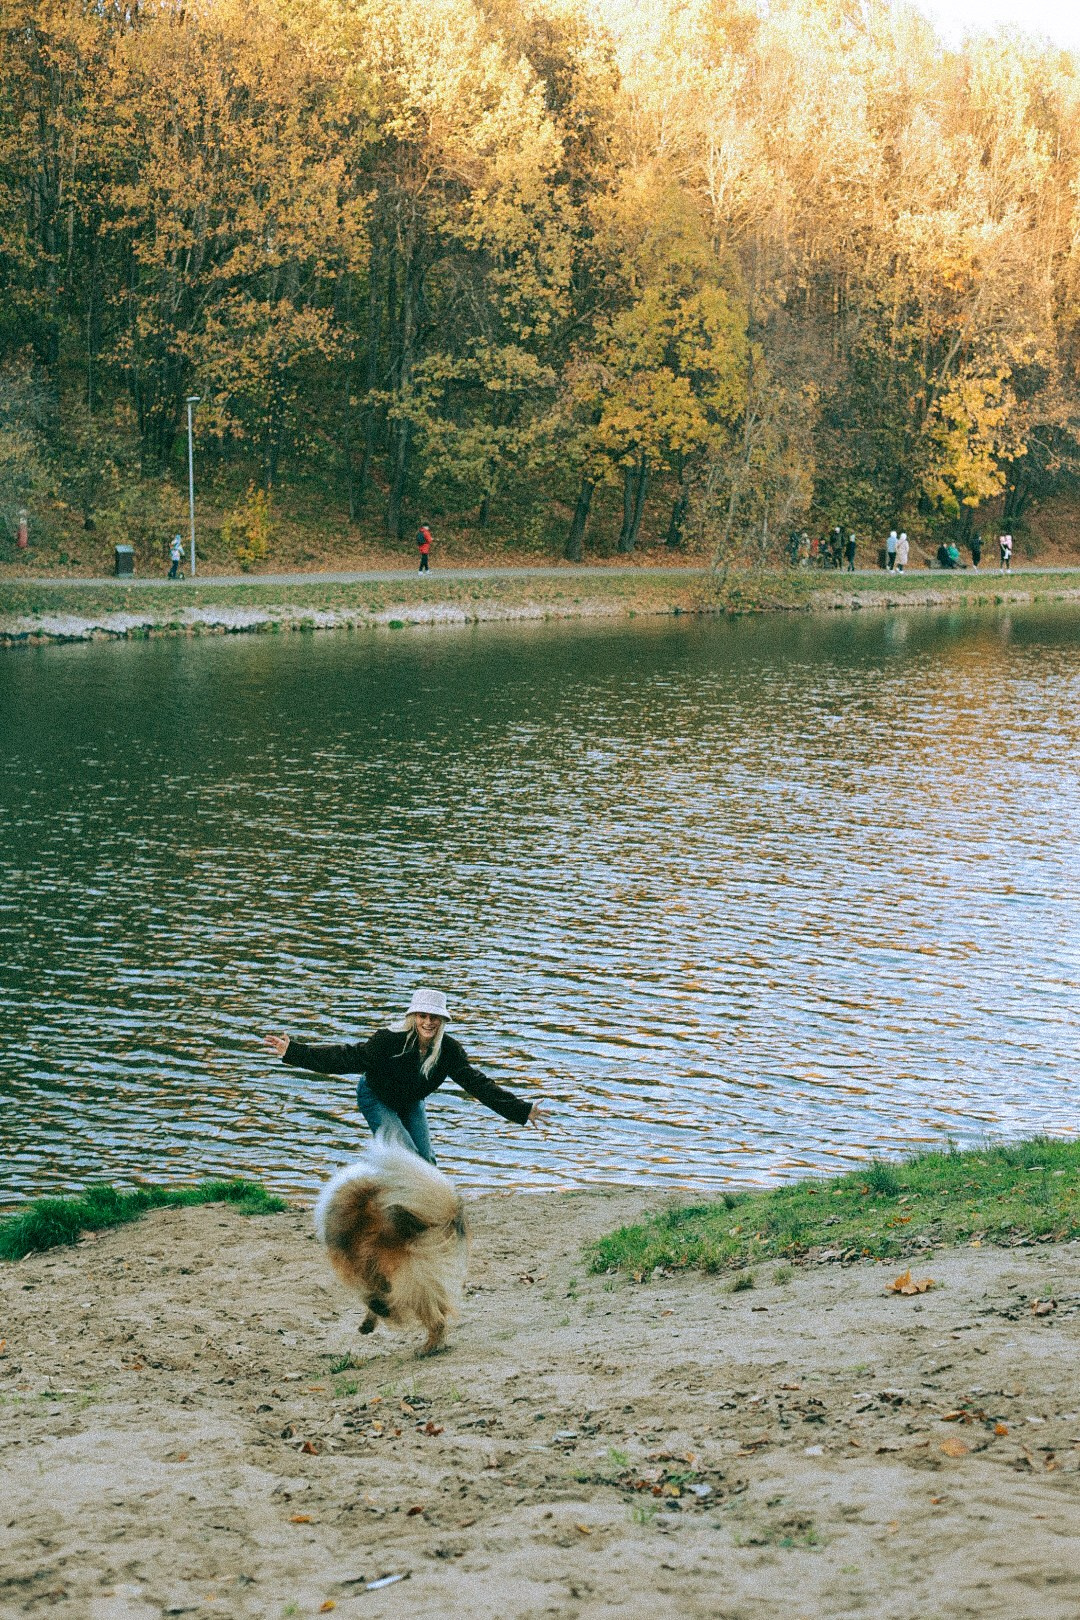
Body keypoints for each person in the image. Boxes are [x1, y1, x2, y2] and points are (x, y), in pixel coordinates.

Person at [262, 988, 546, 1164]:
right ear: (413, 1017)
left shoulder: (447, 1051)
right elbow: (346, 1057)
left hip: (411, 1102)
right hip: (376, 1097)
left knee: (427, 1161)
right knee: (407, 1157)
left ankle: (421, 1217)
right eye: (422, 1015)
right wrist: (294, 1052)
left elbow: (478, 1084)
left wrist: (521, 1110)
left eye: (435, 1017)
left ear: (443, 1021)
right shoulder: (388, 1041)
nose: (428, 1022)